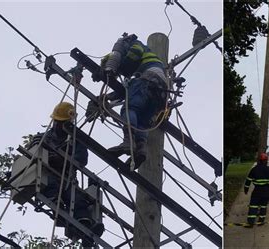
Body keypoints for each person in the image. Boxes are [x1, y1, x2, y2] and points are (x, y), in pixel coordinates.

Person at [89, 33, 169, 167]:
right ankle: (141, 150)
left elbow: (133, 56)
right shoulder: (139, 72)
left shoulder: (134, 44)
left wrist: (115, 68)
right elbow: (127, 91)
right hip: (160, 91)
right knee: (142, 120)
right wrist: (108, 97)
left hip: (149, 80)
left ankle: (128, 142)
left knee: (129, 109)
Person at [30, 102, 103, 246]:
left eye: (61, 122)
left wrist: (63, 159)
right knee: (53, 185)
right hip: (47, 175)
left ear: (68, 122)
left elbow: (82, 159)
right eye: (56, 121)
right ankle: (59, 208)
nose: (57, 125)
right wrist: (39, 148)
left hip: (68, 178)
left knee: (77, 198)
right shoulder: (45, 137)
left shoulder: (76, 139)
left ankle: (86, 227)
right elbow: (31, 156)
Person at [244, 153, 269, 227]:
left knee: (253, 206)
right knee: (263, 207)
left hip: (257, 191)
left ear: (259, 160)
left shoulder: (254, 169)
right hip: (266, 191)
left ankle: (251, 223)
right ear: (266, 161)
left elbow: (248, 181)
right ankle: (261, 222)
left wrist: (246, 189)